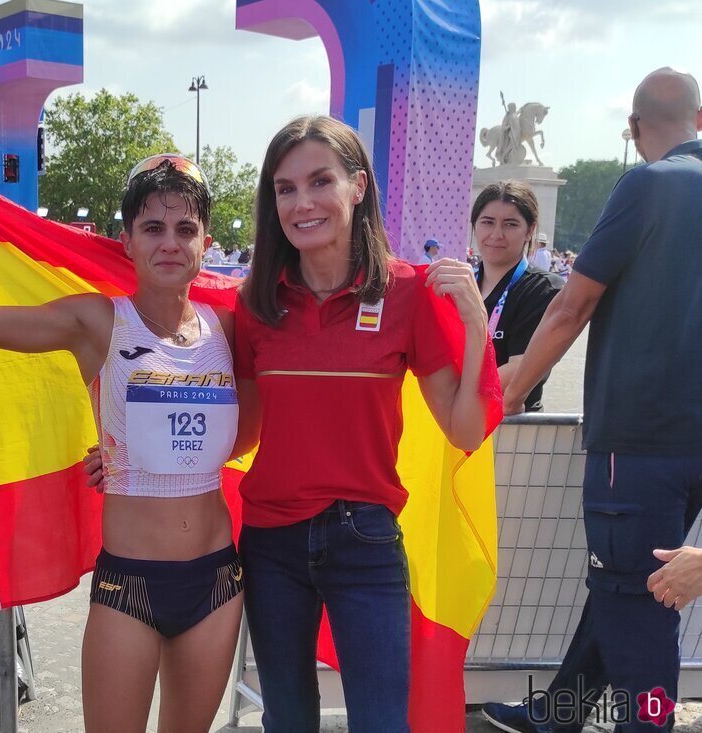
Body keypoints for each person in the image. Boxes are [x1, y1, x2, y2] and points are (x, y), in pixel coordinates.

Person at [0, 150, 255, 733]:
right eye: (152, 227)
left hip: (217, 581)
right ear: (127, 241)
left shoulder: (231, 329)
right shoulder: (98, 321)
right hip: (130, 584)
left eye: (185, 229)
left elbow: (250, 432)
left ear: (205, 242)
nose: (169, 242)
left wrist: (144, 451)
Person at [235, 115, 493, 731]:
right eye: (285, 188)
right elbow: (238, 434)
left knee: (381, 722)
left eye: (320, 181)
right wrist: (134, 451)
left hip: (367, 539)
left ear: (358, 186)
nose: (302, 203)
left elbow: (463, 431)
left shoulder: (408, 293)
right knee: (288, 720)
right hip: (270, 544)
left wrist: (477, 329)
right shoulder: (254, 305)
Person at [483, 67, 702, 733]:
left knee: (635, 616)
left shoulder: (647, 184)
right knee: (622, 591)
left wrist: (510, 392)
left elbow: (572, 304)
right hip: (685, 445)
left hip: (636, 445)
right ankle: (558, 711)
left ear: (635, 130)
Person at [472, 182, 563, 411]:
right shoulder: (460, 285)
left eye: (510, 224)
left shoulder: (543, 289)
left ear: (530, 230)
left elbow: (521, 369)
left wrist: (454, 395)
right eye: (487, 222)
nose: (496, 234)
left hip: (511, 431)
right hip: (452, 425)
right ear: (474, 226)